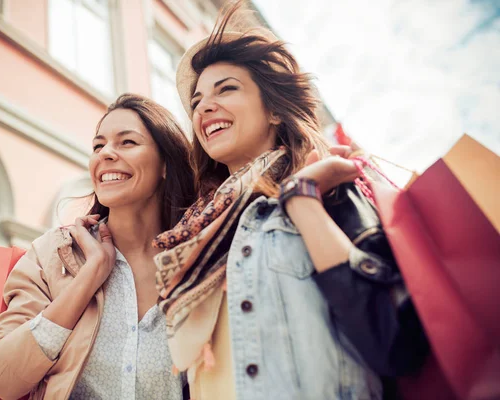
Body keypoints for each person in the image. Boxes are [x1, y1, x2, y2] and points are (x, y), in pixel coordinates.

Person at [153, 2, 427, 400]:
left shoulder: (331, 188)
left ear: (274, 112)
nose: (204, 107)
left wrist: (300, 200)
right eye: (196, 102)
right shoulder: (193, 240)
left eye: (226, 88)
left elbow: (396, 345)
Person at [0, 94, 195, 399]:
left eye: (127, 142)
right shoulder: (50, 254)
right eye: (98, 145)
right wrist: (89, 276)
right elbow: (2, 379)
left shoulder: (200, 262)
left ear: (166, 164)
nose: (105, 154)